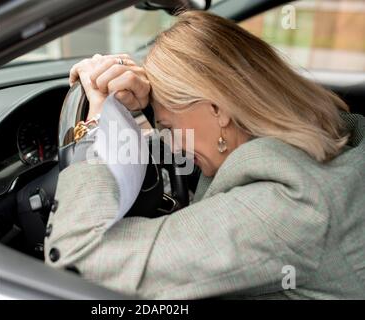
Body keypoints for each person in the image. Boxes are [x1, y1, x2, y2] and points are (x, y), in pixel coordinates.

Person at [44, 11, 365, 299]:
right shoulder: (343, 137)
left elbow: (77, 261)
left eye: (168, 125)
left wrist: (93, 131)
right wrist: (142, 108)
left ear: (217, 109)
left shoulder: (287, 209)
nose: (173, 146)